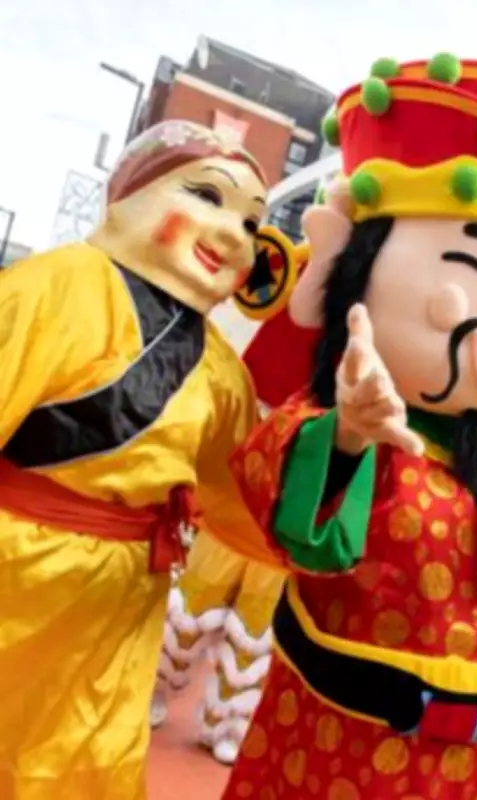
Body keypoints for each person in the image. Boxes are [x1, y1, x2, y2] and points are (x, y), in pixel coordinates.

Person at [219, 54, 477, 800]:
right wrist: (348, 437)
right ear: (350, 268)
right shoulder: (352, 420)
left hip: (466, 766)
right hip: (331, 747)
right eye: (473, 272)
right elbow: (286, 515)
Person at [0, 120, 286, 798]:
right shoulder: (55, 286)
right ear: (131, 194)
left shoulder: (222, 369)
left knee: (93, 763)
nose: (232, 234)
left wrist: (343, 445)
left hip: (126, 600)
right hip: (19, 575)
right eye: (207, 196)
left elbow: (246, 502)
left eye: (251, 223)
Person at [152, 529, 286, 764]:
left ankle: (228, 726)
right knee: (189, 614)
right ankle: (155, 687)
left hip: (281, 546)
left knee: (253, 633)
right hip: (230, 524)